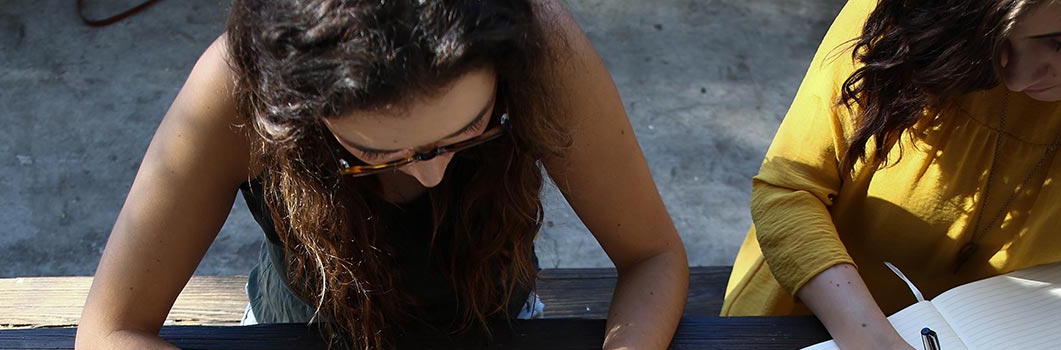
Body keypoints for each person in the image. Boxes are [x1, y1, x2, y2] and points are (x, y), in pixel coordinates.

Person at [75, 0, 689, 349]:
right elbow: (110, 329)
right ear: (293, 108)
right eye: (377, 154)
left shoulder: (542, 49)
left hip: (498, 325)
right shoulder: (236, 89)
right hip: (298, 331)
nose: (431, 176)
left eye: (473, 129)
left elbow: (653, 257)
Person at [722, 0, 1061, 348]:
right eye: (992, 40)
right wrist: (870, 339)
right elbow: (790, 186)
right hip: (807, 314)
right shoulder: (905, 9)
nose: (1019, 77)